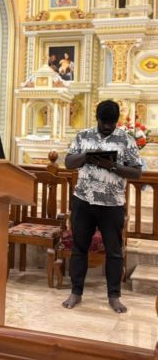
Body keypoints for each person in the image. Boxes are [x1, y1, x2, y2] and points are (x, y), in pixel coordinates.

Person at [62, 100, 142, 313]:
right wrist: (87, 157)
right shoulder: (83, 135)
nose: (107, 126)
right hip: (83, 201)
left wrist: (114, 166)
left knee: (114, 252)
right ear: (97, 118)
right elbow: (69, 163)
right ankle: (76, 293)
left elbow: (137, 172)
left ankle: (114, 296)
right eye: (104, 122)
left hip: (112, 204)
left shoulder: (126, 140)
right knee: (79, 249)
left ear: (117, 120)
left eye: (111, 122)